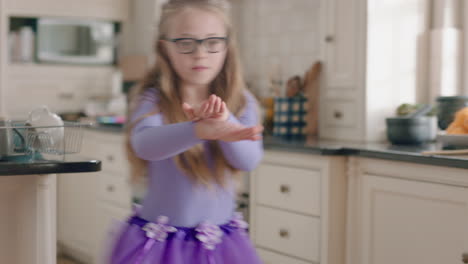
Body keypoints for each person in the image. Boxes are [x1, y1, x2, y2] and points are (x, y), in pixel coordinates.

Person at [107, 0, 264, 263]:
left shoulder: (242, 101)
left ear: (227, 46)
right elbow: (144, 144)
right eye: (185, 43)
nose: (200, 53)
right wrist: (198, 130)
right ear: (164, 47)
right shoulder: (153, 98)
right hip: (159, 248)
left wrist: (226, 126)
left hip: (221, 247)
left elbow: (248, 160)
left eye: (212, 41)